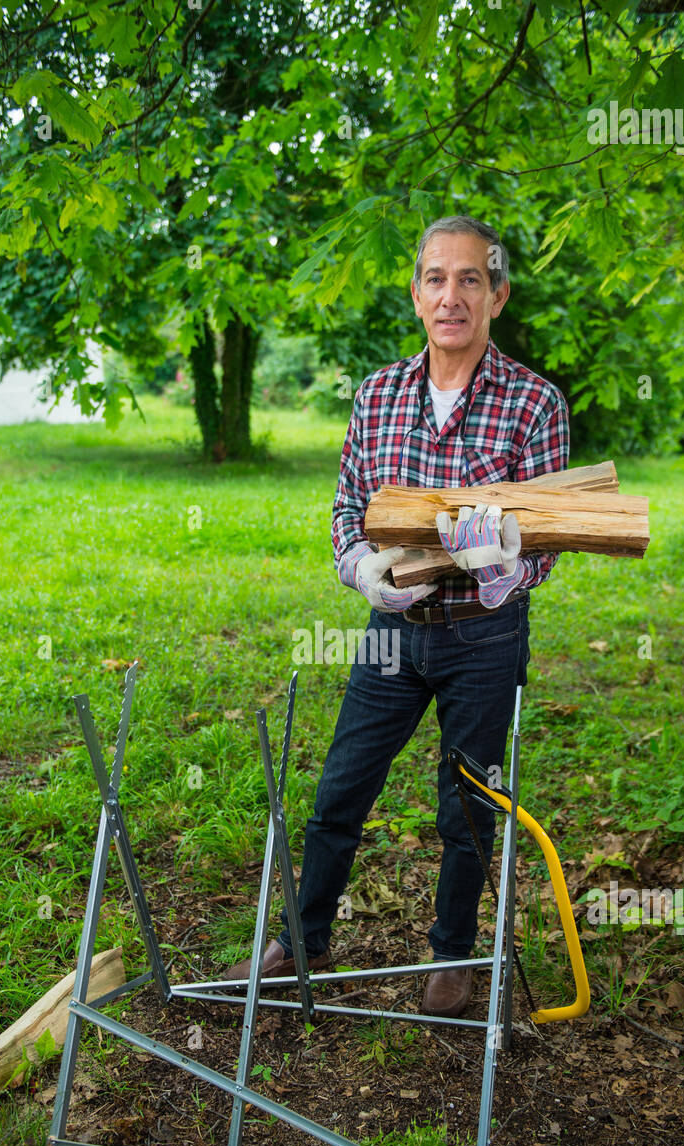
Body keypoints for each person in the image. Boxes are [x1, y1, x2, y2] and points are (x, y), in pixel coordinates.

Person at [225, 214, 569, 1017]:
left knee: (468, 805)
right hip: (392, 633)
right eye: (436, 279)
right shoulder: (378, 394)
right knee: (340, 789)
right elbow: (349, 505)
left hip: (484, 638)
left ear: (497, 295)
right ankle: (302, 939)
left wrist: (501, 570)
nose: (451, 295)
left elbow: (551, 538)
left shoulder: (533, 403)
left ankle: (451, 954)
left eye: (470, 280)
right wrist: (361, 569)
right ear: (416, 294)